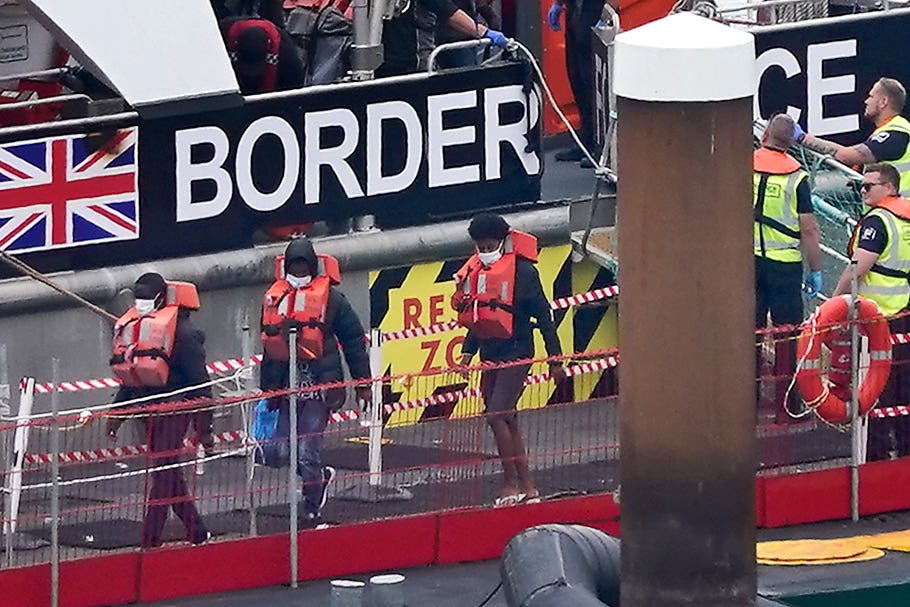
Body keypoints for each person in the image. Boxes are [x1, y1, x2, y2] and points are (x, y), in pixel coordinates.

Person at [453, 213, 566, 506]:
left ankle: (510, 483)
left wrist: (555, 358)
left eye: (490, 244)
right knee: (508, 419)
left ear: (502, 241)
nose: (485, 251)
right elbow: (479, 313)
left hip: (517, 351)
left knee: (497, 414)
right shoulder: (476, 271)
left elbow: (543, 315)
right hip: (490, 352)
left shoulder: (524, 272)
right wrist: (467, 354)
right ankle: (529, 485)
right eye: (480, 246)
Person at [259, 237, 372, 524]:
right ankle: (320, 477)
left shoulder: (333, 300)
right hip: (286, 388)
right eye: (293, 269)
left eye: (302, 268)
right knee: (277, 451)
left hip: (320, 388)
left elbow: (355, 341)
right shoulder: (276, 298)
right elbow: (268, 347)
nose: (298, 275)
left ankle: (312, 506)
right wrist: (267, 389)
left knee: (307, 451)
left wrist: (363, 383)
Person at [106, 273, 212, 548]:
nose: (141, 304)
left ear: (160, 298)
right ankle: (198, 533)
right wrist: (116, 416)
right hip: (149, 409)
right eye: (137, 299)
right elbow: (130, 378)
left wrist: (205, 430)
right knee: (169, 474)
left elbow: (201, 384)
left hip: (177, 409)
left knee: (164, 471)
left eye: (146, 299)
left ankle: (149, 540)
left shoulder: (185, 334)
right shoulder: (137, 331)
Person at [832, 163, 910, 460]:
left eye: (869, 186)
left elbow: (857, 268)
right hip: (902, 315)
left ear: (889, 187)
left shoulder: (878, 222)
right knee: (904, 391)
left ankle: (874, 459)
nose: (863, 191)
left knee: (874, 389)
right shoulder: (905, 219)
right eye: (861, 186)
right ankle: (904, 455)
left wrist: (834, 301)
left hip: (873, 321)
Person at [754, 114, 823, 424]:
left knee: (749, 333)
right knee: (788, 336)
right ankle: (788, 405)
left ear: (765, 133)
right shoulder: (797, 178)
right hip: (785, 267)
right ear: (792, 142)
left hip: (748, 262)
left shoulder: (744, 164)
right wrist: (815, 270)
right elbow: (808, 229)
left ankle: (747, 400)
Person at [797, 77, 910, 197]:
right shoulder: (892, 129)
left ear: (883, 102)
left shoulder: (895, 134)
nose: (866, 101)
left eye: (871, 96)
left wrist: (804, 138)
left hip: (899, 209)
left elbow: (846, 156)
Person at [547, 0, 610, 167]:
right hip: (576, 9)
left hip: (595, 9)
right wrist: (559, 4)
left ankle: (602, 146)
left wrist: (607, 12)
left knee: (592, 81)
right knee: (577, 77)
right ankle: (586, 141)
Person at [377, 0, 508, 77]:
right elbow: (445, 10)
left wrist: (487, 14)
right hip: (410, 60)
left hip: (392, 58)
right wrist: (484, 32)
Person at [221, 17, 307, 93]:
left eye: (255, 68)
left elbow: (293, 94)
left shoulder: (288, 58)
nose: (252, 74)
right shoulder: (220, 37)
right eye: (248, 68)